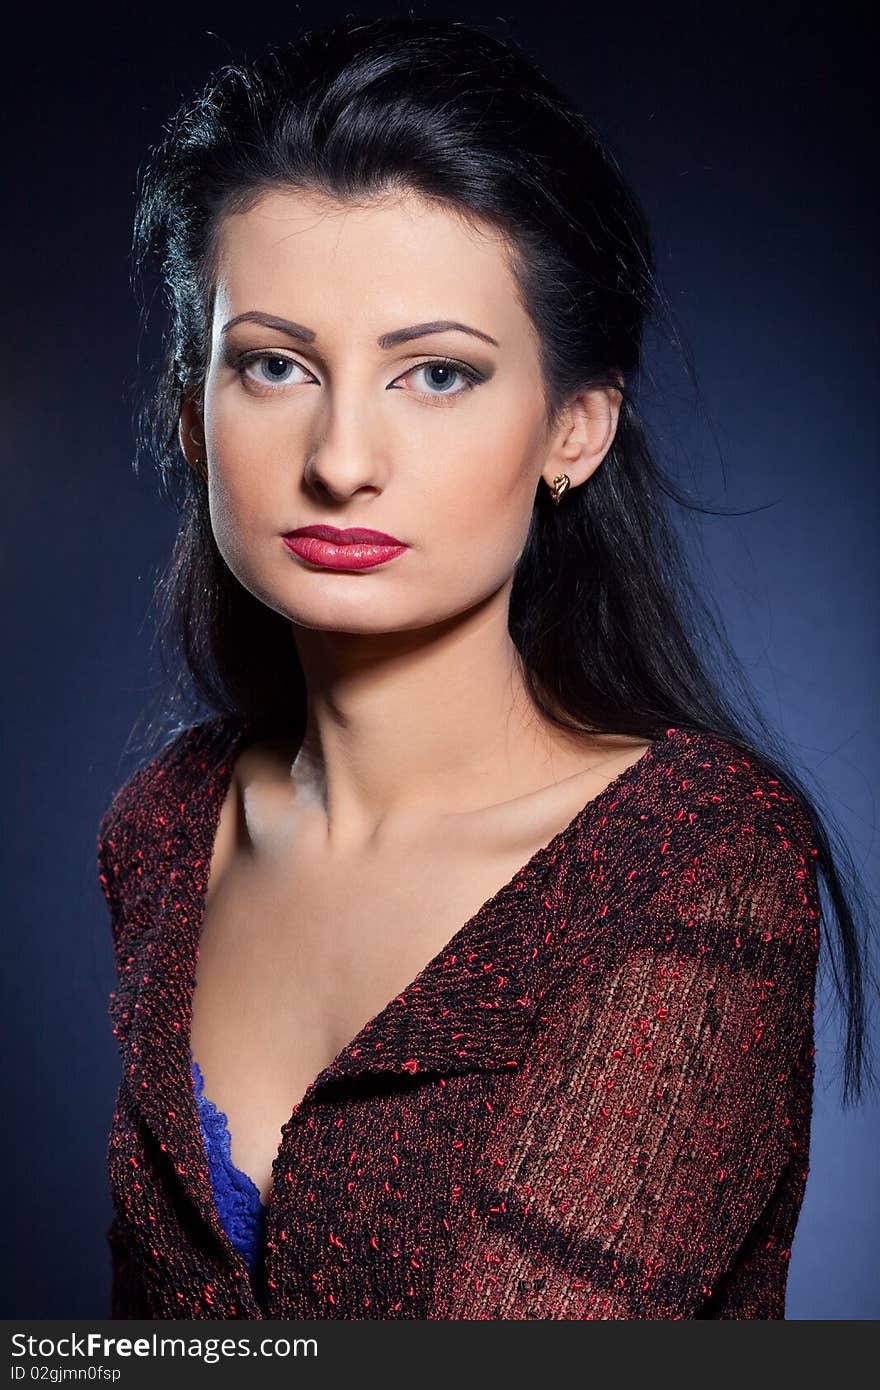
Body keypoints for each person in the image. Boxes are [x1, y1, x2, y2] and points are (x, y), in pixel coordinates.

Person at [96, 15, 875, 1320]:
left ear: (576, 428)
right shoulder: (167, 830)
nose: (343, 456)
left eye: (437, 374)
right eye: (275, 365)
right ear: (192, 408)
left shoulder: (694, 857)